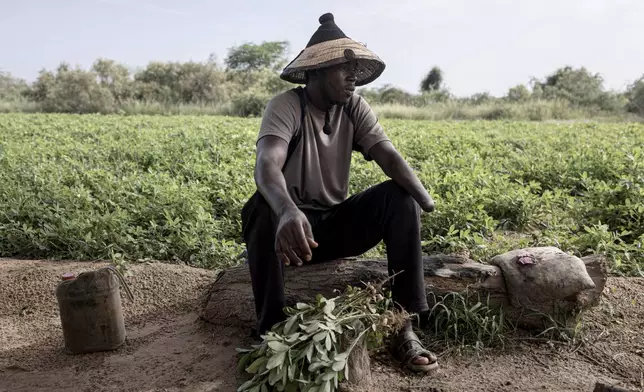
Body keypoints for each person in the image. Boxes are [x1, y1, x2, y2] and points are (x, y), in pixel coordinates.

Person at [241, 12, 438, 372]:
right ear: (315, 72)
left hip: (333, 228)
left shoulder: (354, 107)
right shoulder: (287, 106)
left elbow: (388, 157)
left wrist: (424, 200)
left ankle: (404, 324)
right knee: (261, 207)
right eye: (342, 71)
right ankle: (271, 330)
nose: (352, 80)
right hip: (290, 236)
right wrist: (286, 210)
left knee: (399, 198)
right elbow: (267, 164)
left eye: (355, 72)